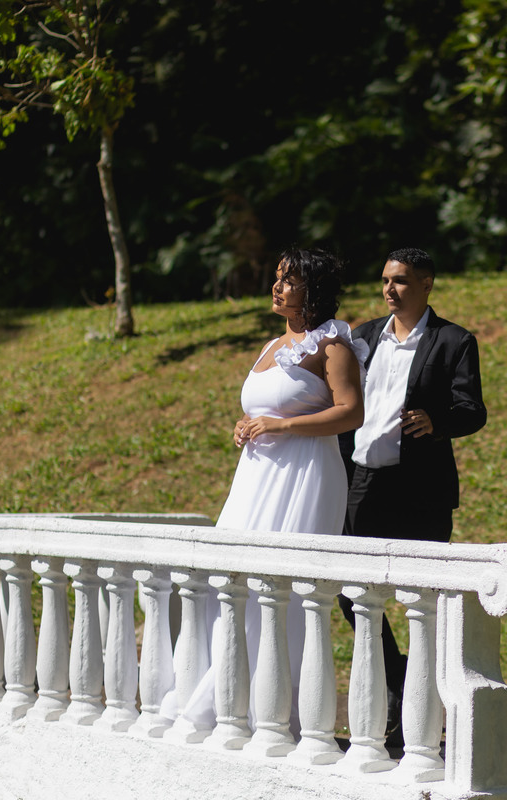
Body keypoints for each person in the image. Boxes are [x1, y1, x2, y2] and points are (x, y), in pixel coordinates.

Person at [162, 247, 367, 733]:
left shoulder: (332, 344)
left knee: (274, 591)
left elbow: (351, 412)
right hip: (255, 477)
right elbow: (263, 407)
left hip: (305, 475)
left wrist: (283, 424)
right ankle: (223, 694)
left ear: (313, 289)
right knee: (225, 578)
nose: (277, 287)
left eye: (289, 280)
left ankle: (266, 713)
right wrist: (246, 423)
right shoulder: (273, 343)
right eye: (277, 277)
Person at [339, 246, 487, 735]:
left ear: (426, 284)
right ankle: (397, 678)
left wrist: (437, 421)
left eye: (400, 280)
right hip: (363, 481)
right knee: (351, 593)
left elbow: (472, 409)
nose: (390, 289)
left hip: (421, 488)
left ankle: (426, 710)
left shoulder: (453, 341)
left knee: (423, 598)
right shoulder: (363, 337)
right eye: (385, 279)